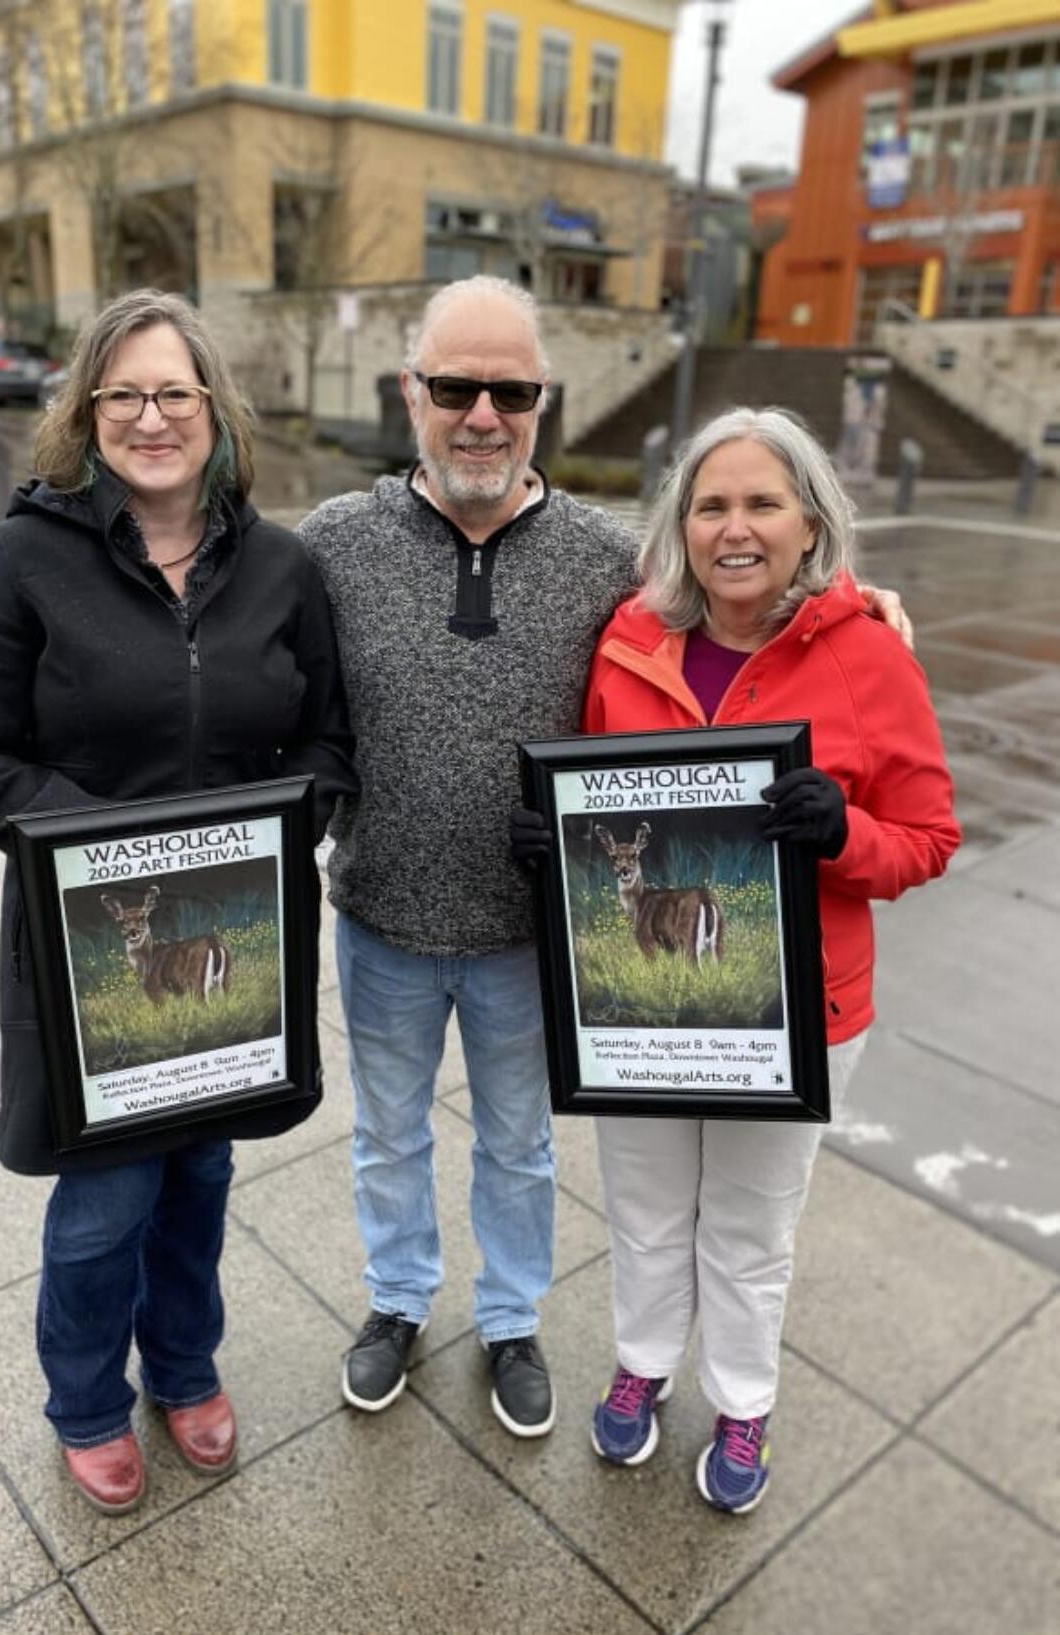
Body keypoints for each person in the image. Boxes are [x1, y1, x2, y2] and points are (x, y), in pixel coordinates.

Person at [298, 277, 909, 1439]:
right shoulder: (331, 542)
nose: (482, 413)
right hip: (377, 910)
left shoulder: (608, 555)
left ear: (542, 402)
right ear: (410, 390)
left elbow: (743, 593)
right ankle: (394, 1301)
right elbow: (232, 630)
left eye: (510, 391)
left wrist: (851, 600)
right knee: (386, 1132)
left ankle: (515, 1316)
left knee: (520, 1144)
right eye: (455, 387)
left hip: (533, 933)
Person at [0, 289, 355, 1515]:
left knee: (200, 1179)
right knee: (106, 1193)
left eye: (176, 393)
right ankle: (85, 1400)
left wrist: (278, 834)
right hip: (90, 946)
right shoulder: (29, 559)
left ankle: (183, 1364)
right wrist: (109, 851)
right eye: (126, 394)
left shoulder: (279, 568)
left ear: (215, 413)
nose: (152, 417)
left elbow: (326, 741)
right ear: (89, 412)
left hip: (230, 946)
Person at [571, 406, 959, 1512]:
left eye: (759, 503)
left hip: (793, 1013)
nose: (732, 528)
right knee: (642, 1206)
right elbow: (597, 811)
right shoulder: (625, 643)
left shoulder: (866, 657)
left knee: (747, 1227)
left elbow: (926, 839)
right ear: (680, 526)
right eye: (709, 505)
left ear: (807, 523)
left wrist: (843, 837)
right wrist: (558, 851)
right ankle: (642, 1364)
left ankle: (741, 1401)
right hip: (642, 1007)